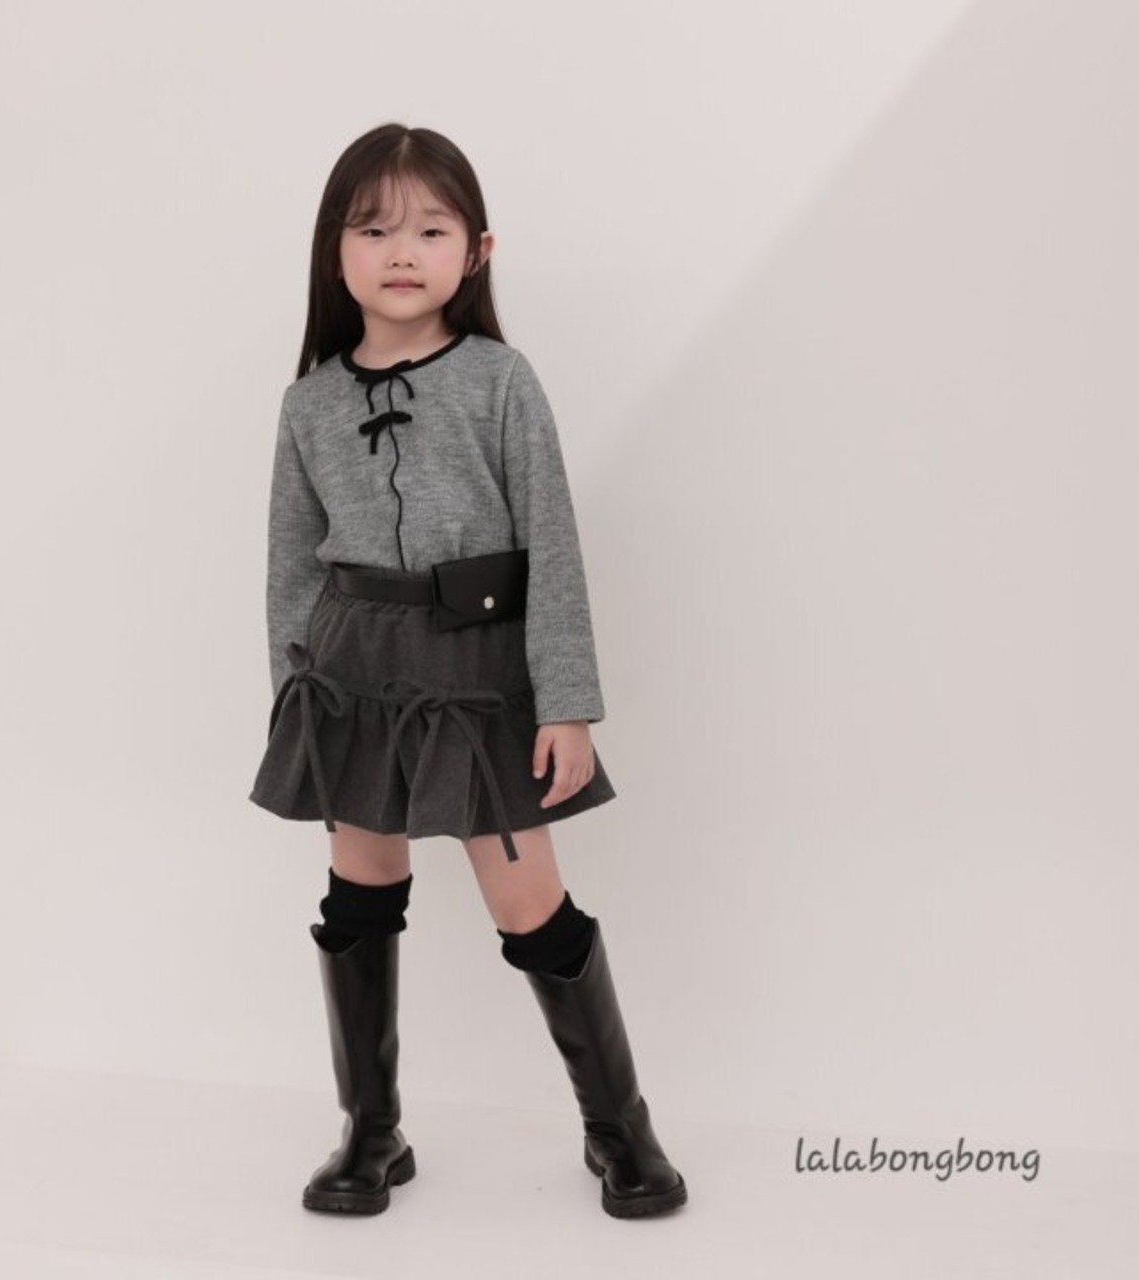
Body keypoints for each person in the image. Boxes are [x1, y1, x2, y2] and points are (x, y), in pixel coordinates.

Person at [248, 122, 687, 1220]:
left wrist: (566, 701)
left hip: (479, 669)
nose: (402, 251)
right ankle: (371, 1129)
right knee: (360, 889)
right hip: (351, 673)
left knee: (528, 900)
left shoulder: (500, 381)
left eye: (430, 230)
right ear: (334, 250)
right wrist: (294, 694)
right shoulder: (308, 402)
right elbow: (291, 564)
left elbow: (553, 541)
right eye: (373, 229)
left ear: (477, 251)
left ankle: (619, 1129)